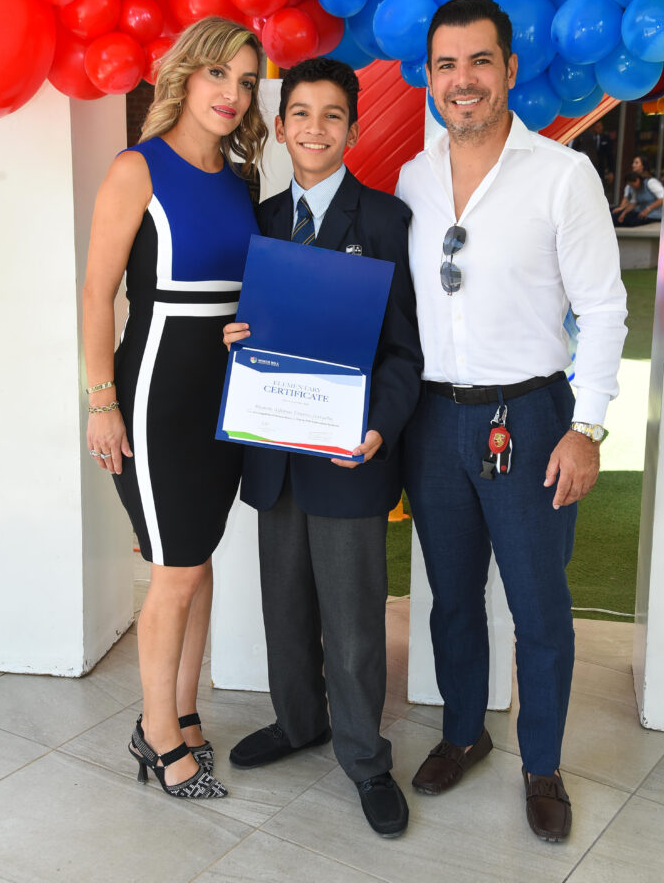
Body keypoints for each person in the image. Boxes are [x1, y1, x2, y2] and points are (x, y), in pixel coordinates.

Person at [396, 0, 627, 842]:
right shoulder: (413, 178)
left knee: (539, 608)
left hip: (530, 421)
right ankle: (465, 733)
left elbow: (603, 309)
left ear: (508, 70)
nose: (463, 81)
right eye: (447, 65)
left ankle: (540, 763)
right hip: (432, 421)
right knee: (451, 597)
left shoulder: (561, 176)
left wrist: (588, 426)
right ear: (429, 76)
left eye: (479, 62)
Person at [223, 58, 422, 838]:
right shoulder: (260, 221)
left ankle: (365, 758)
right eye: (299, 114)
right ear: (279, 126)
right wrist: (233, 340)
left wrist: (377, 427)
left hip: (350, 455)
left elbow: (405, 353)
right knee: (284, 607)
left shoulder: (383, 222)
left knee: (351, 622)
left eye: (331, 115)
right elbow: (244, 331)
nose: (313, 128)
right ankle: (297, 721)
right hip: (274, 454)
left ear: (353, 127)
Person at [83, 17, 267, 799]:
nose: (233, 94)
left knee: (198, 560)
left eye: (248, 81)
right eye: (219, 75)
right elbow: (98, 293)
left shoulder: (241, 179)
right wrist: (101, 403)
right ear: (185, 76)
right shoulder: (138, 168)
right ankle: (156, 737)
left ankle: (184, 713)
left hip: (225, 392)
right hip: (156, 392)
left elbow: (241, 287)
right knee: (176, 568)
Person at [612, 154, 664, 226]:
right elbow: (633, 202)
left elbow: (663, 198)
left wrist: (647, 209)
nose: (633, 165)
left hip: (654, 213)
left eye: (636, 163)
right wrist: (623, 213)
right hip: (640, 211)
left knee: (631, 222)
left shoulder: (650, 182)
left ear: (638, 180)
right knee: (616, 217)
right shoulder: (635, 186)